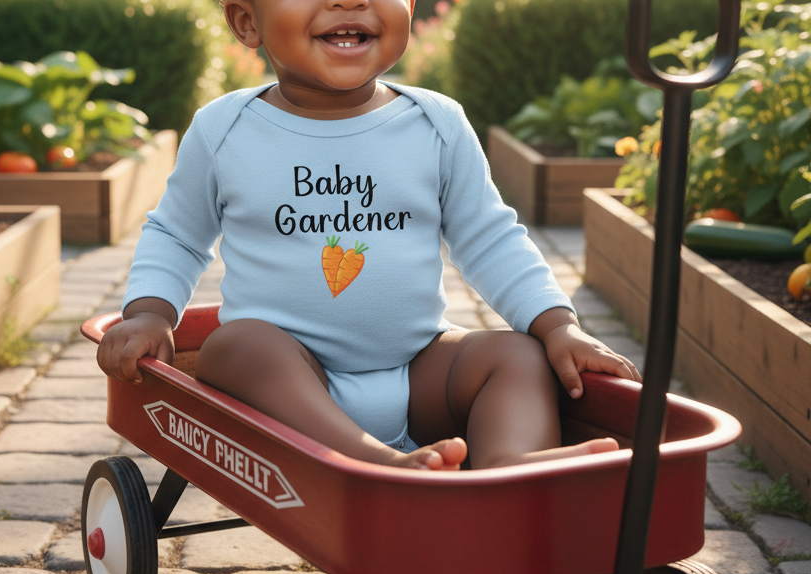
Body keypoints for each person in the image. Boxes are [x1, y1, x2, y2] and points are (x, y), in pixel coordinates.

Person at [96, 0, 640, 471]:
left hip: (417, 370)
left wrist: (557, 326)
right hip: (291, 380)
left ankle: (508, 470)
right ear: (246, 21)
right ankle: (377, 465)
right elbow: (176, 233)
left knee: (518, 356)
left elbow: (490, 236)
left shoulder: (436, 124)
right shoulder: (225, 130)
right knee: (235, 346)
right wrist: (150, 313)